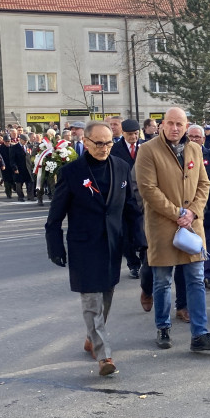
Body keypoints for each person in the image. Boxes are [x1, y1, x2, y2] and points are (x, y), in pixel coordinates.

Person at [45, 121, 143, 377]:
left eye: (108, 142)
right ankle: (104, 355)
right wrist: (54, 246)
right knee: (91, 301)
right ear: (86, 143)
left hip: (112, 243)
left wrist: (140, 240)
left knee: (106, 297)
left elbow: (131, 208)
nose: (104, 147)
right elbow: (55, 215)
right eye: (98, 143)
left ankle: (92, 337)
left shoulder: (122, 167)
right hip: (84, 246)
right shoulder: (71, 172)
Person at [136, 107, 210, 352]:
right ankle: (163, 327)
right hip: (163, 226)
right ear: (163, 124)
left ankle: (200, 333)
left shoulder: (194, 149)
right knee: (163, 281)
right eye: (171, 123)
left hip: (192, 226)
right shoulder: (147, 150)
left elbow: (204, 183)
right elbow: (148, 188)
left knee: (196, 279)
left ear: (186, 127)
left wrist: (193, 211)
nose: (175, 128)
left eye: (180, 124)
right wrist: (177, 213)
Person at [186, 123, 210, 290]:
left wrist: (206, 201)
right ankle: (192, 276)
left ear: (203, 139)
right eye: (190, 136)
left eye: (197, 137)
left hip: (208, 207)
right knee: (187, 244)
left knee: (208, 243)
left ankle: (208, 276)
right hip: (186, 210)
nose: (193, 139)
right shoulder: (181, 155)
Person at [111, 118, 145, 279]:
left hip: (143, 196)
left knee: (143, 231)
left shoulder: (146, 146)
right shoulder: (115, 149)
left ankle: (146, 261)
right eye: (130, 134)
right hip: (123, 196)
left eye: (136, 134)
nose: (133, 137)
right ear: (123, 133)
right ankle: (133, 264)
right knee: (125, 234)